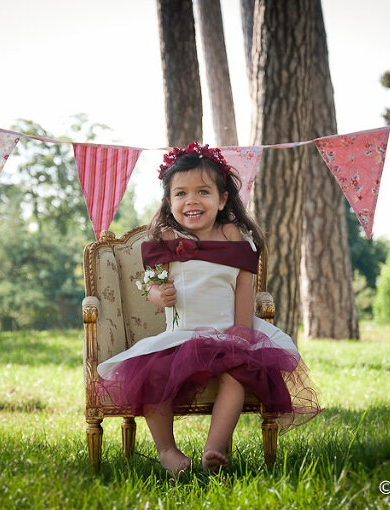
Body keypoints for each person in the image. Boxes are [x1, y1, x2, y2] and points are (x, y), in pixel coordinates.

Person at [97, 142, 322, 476]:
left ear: (222, 199)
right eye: (181, 193)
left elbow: (244, 286)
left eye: (203, 191)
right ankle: (167, 451)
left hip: (228, 333)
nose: (192, 200)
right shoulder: (166, 238)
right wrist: (159, 295)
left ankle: (213, 450)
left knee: (236, 377)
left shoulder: (234, 237)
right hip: (181, 336)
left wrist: (242, 333)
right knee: (154, 376)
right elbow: (151, 284)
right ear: (169, 201)